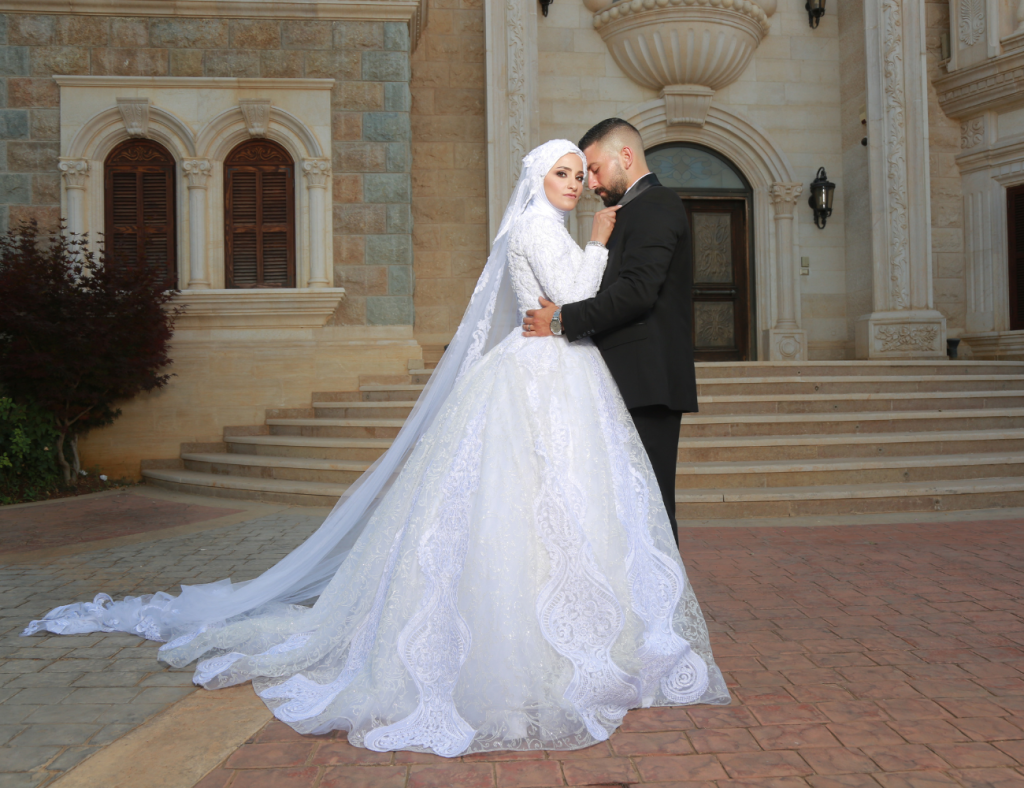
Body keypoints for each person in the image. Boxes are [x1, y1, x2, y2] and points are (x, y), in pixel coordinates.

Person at [23, 140, 729, 758]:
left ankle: (576, 633)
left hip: (553, 365)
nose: (577, 186)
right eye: (566, 174)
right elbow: (576, 287)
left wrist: (587, 254)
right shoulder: (540, 228)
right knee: (535, 501)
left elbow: (564, 301)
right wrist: (602, 238)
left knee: (557, 500)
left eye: (581, 175)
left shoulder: (540, 223)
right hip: (543, 373)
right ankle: (530, 656)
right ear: (539, 179)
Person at [523, 119, 695, 544]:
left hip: (645, 382)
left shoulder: (656, 205)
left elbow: (637, 293)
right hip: (619, 381)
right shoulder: (628, 212)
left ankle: (663, 610)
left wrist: (561, 320)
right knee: (622, 508)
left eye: (595, 170)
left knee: (650, 507)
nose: (590, 183)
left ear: (626, 156)